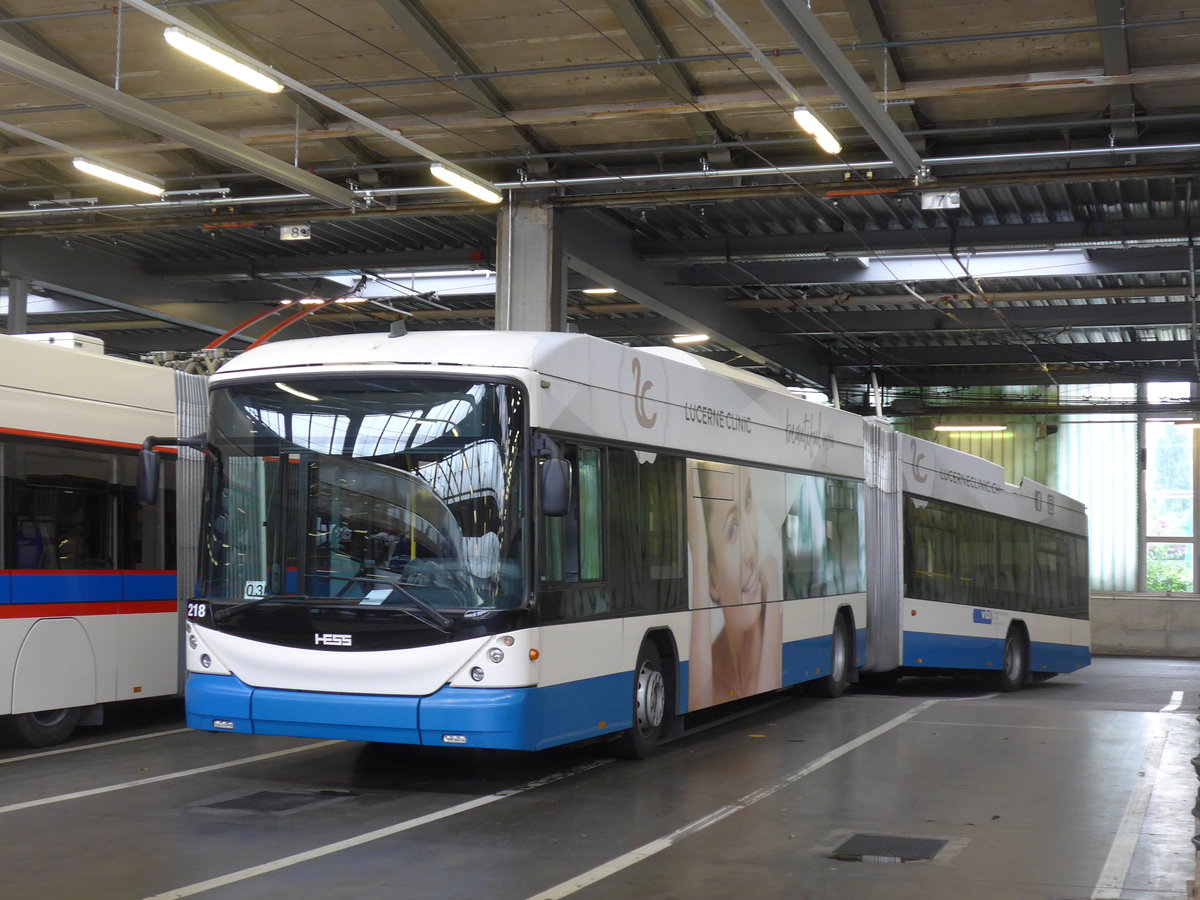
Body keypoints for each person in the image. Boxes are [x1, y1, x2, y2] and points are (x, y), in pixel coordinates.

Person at [687, 461, 783, 710]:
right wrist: (698, 556)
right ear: (712, 581)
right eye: (733, 529)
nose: (752, 550)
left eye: (748, 500)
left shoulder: (771, 576)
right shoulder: (707, 677)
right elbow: (698, 703)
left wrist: (773, 586)